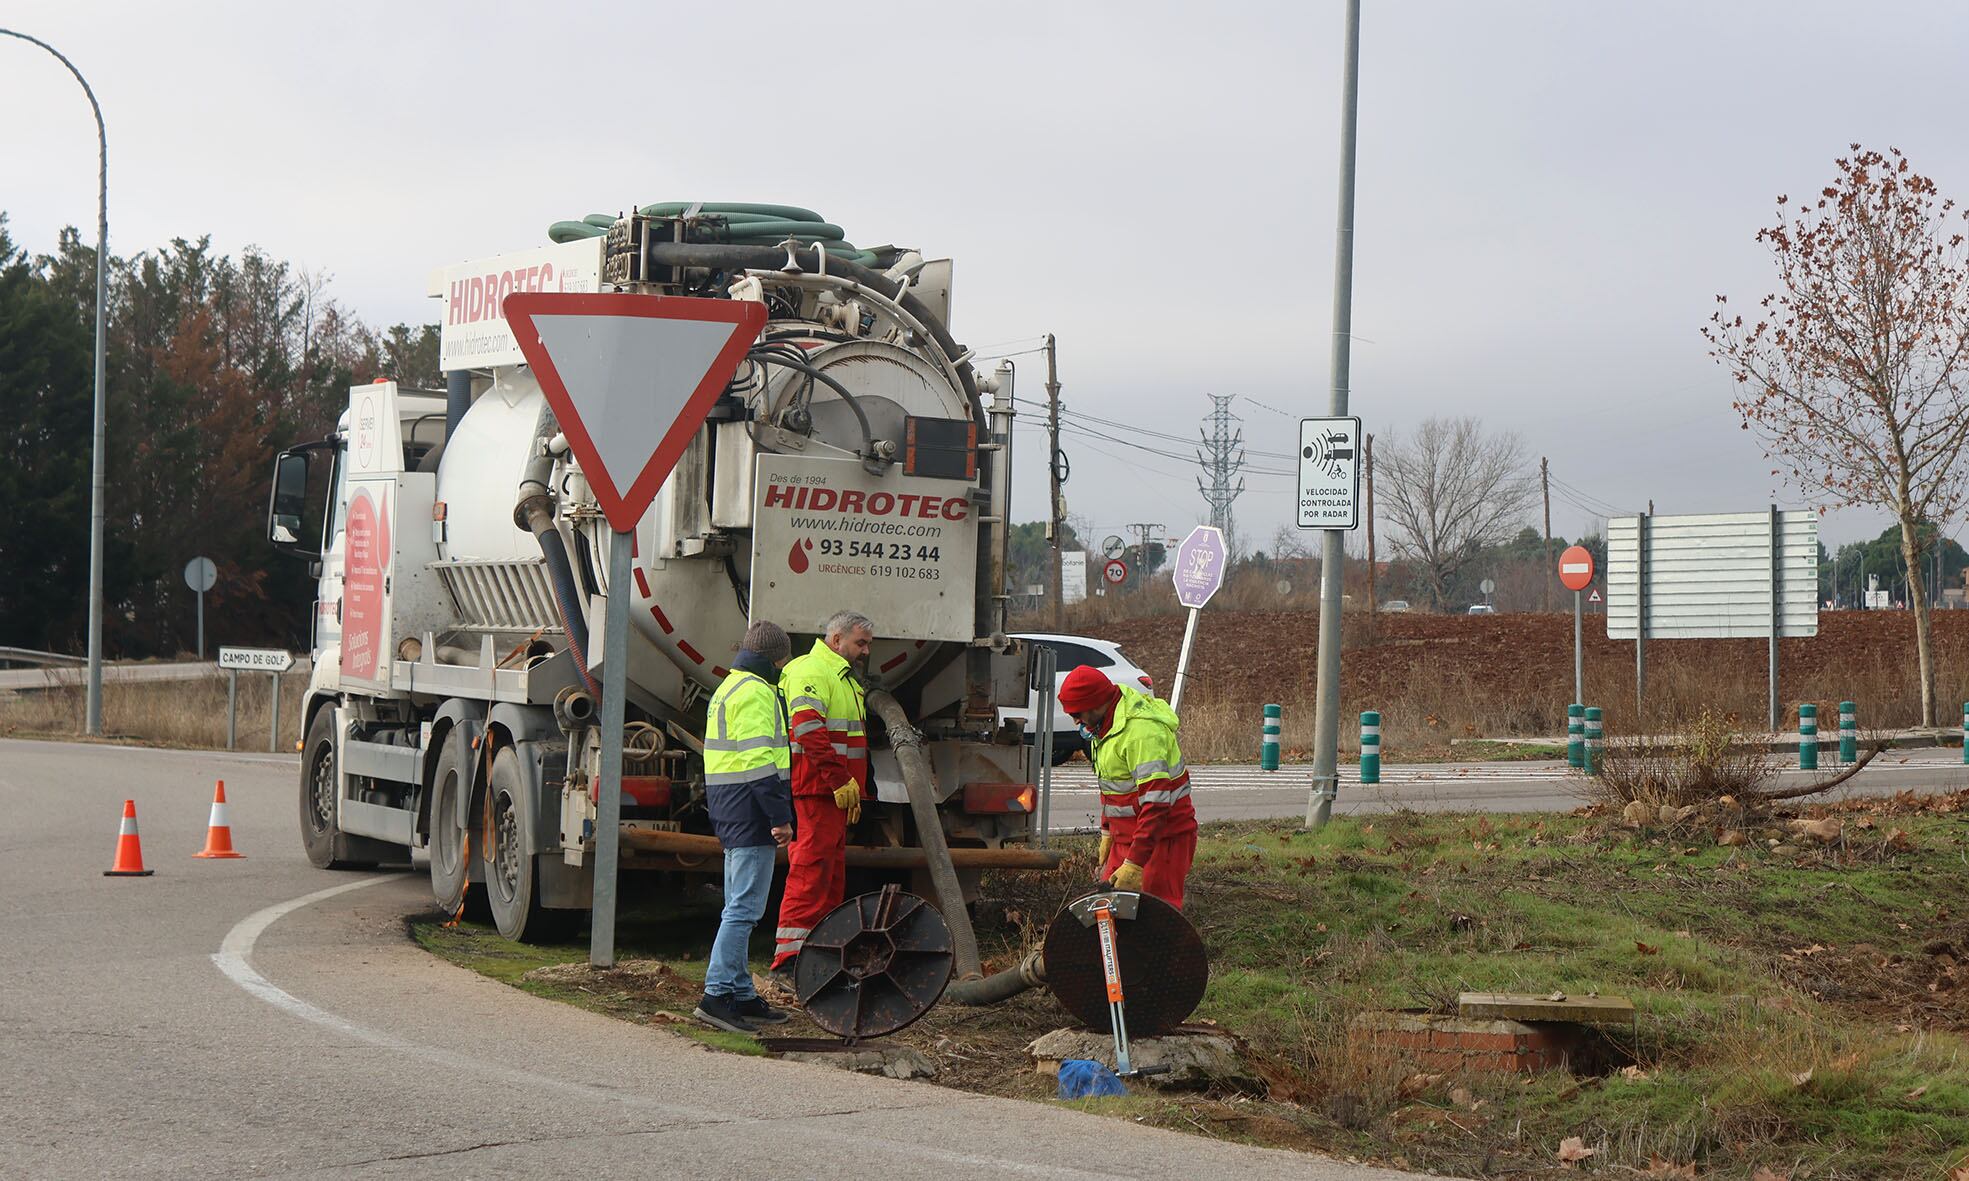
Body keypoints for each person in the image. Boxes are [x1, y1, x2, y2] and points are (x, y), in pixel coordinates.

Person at [693, 621, 797, 1034]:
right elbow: (758, 762)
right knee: (744, 910)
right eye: (783, 660)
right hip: (751, 810)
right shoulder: (757, 692)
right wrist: (780, 817)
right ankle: (716, 995)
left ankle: (739, 992)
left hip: (731, 807)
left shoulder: (729, 686)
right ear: (775, 658)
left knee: (737, 905)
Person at [770, 610, 874, 979]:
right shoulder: (812, 671)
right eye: (860, 643)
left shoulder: (839, 675)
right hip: (817, 791)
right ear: (836, 639)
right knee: (811, 873)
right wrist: (839, 780)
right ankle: (789, 962)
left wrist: (851, 786)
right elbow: (807, 729)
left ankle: (819, 957)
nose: (865, 652)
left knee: (829, 878)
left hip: (833, 793)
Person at [1057, 664, 1198, 909]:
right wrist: (1107, 831)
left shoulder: (1142, 733)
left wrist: (1135, 863)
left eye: (1077, 713)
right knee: (1109, 909)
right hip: (1129, 838)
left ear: (1095, 703)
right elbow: (1113, 787)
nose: (1076, 720)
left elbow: (1156, 804)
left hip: (1162, 839)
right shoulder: (1105, 727)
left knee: (1155, 914)